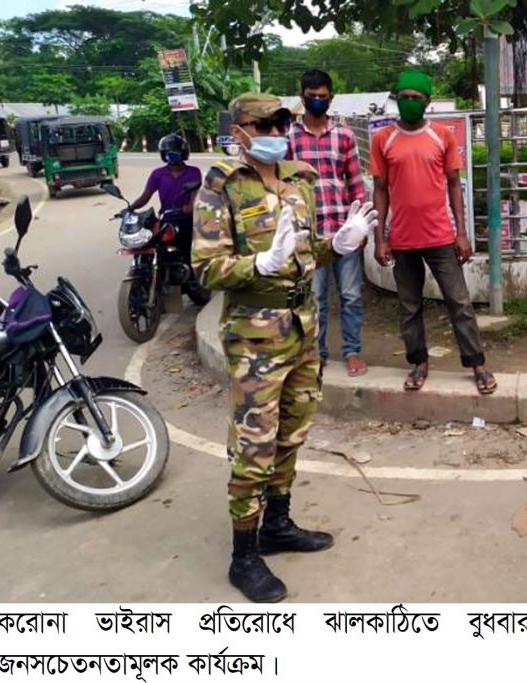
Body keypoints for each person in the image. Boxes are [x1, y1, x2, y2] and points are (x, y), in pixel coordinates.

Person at [193, 92, 376, 602]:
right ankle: (244, 556)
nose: (277, 132)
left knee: (293, 432)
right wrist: (258, 265)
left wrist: (337, 243)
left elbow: (305, 250)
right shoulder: (221, 186)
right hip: (255, 335)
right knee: (254, 446)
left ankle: (277, 523)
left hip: (302, 328)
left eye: (282, 123)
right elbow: (205, 268)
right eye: (265, 124)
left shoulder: (299, 181)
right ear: (240, 131)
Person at [371, 69, 497, 395]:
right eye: (404, 97)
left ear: (427, 101)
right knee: (409, 306)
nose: (409, 102)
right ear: (396, 99)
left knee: (459, 302)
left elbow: (454, 184)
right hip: (402, 239)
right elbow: (380, 190)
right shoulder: (383, 139)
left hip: (440, 236)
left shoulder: (441, 135)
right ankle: (419, 363)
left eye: (416, 98)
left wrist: (462, 232)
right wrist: (380, 238)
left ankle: (477, 364)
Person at [287, 69, 369, 377]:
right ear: (302, 97)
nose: (318, 101)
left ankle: (352, 350)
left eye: (323, 96)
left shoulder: (344, 135)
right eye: (312, 97)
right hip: (308, 233)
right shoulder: (289, 137)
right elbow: (283, 184)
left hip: (343, 229)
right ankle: (317, 352)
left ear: (331, 98)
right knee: (315, 298)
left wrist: (361, 226)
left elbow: (356, 181)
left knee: (351, 295)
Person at [127, 133, 206, 300]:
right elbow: (146, 196)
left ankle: (194, 280)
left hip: (187, 219)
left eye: (176, 152)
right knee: (155, 246)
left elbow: (195, 197)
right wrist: (130, 208)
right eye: (168, 152)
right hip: (166, 219)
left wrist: (188, 208)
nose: (172, 155)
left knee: (187, 250)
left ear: (183, 153)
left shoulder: (193, 172)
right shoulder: (158, 174)